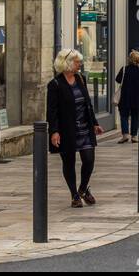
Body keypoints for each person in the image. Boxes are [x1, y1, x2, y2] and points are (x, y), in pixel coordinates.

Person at [47, 49, 104, 208]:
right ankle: (74, 195)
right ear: (68, 63)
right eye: (77, 62)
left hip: (84, 127)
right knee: (69, 162)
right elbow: (51, 111)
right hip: (67, 130)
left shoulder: (81, 79)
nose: (80, 64)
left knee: (89, 160)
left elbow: (88, 104)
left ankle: (83, 189)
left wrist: (94, 123)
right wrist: (54, 131)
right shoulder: (55, 84)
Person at [115, 50, 139, 144]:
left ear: (130, 59)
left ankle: (125, 135)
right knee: (135, 116)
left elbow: (117, 79)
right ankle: (134, 136)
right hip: (137, 98)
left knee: (124, 115)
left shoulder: (124, 69)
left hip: (125, 97)